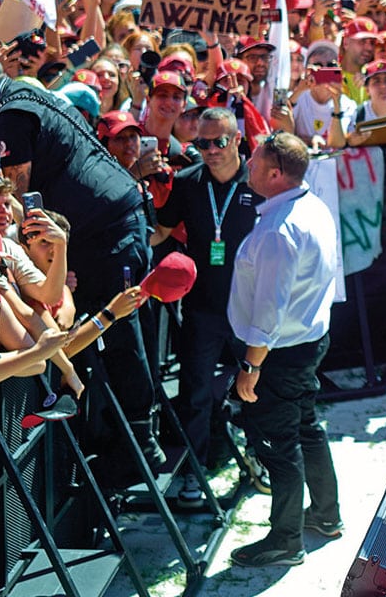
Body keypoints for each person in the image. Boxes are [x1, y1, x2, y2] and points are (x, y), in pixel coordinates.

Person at [0, 48, 160, 468]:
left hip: (104, 229)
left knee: (118, 332)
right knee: (119, 326)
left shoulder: (9, 117)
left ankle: (137, 446)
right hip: (115, 216)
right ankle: (130, 437)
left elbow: (16, 198)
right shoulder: (28, 92)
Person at [227, 131, 342, 567]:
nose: (247, 165)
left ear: (276, 174)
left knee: (280, 444)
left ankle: (285, 540)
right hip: (306, 343)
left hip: (279, 352)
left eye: (254, 161)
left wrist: (250, 367)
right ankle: (326, 516)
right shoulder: (311, 207)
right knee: (307, 428)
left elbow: (268, 313)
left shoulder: (279, 229)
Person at [154, 108, 263, 507]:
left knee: (256, 389)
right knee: (196, 393)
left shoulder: (259, 180)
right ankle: (194, 474)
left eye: (219, 142)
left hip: (250, 308)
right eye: (202, 143)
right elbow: (160, 231)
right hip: (202, 308)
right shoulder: (186, 182)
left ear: (237, 140)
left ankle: (258, 458)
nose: (211, 150)